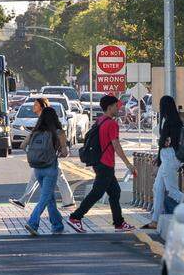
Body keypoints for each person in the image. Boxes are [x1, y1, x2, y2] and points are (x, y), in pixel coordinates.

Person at [66, 95, 136, 234]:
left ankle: (119, 223)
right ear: (110, 107)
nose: (119, 108)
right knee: (97, 193)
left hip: (99, 162)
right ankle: (75, 217)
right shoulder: (111, 124)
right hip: (105, 163)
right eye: (117, 106)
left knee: (115, 192)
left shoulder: (100, 120)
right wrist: (129, 164)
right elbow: (116, 145)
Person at [10, 96, 73, 210]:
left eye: (35, 105)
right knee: (51, 181)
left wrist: (34, 152)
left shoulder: (39, 127)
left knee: (49, 189)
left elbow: (23, 145)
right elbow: (64, 150)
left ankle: (68, 202)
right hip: (50, 160)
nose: (33, 107)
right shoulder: (56, 130)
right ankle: (68, 202)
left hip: (43, 160)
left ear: (42, 108)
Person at [22, 105, 69, 235]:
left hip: (37, 168)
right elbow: (64, 153)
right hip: (50, 168)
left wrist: (34, 153)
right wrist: (59, 150)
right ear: (55, 118)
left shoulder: (35, 131)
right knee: (45, 198)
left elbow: (22, 145)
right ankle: (32, 223)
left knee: (50, 198)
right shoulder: (59, 132)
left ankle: (57, 225)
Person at [142, 95, 184, 231]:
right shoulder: (176, 121)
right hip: (168, 157)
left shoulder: (169, 122)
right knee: (158, 188)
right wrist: (159, 159)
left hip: (169, 157)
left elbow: (163, 142)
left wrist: (160, 156)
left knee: (172, 191)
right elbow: (165, 143)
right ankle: (155, 220)